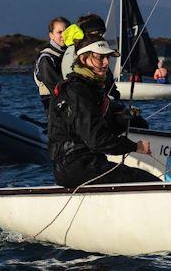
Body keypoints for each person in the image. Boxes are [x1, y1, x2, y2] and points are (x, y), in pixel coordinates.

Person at [49, 34, 160, 187]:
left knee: (144, 179)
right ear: (83, 59)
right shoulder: (77, 91)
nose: (106, 62)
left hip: (83, 165)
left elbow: (95, 130)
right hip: (78, 167)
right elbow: (97, 140)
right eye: (100, 58)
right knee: (152, 183)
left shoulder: (88, 88)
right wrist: (135, 147)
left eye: (107, 58)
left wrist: (122, 120)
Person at [34, 16, 69, 113]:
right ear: (51, 35)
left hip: (70, 101)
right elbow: (54, 86)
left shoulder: (69, 54)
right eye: (59, 32)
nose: (63, 35)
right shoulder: (46, 58)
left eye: (66, 31)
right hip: (54, 104)